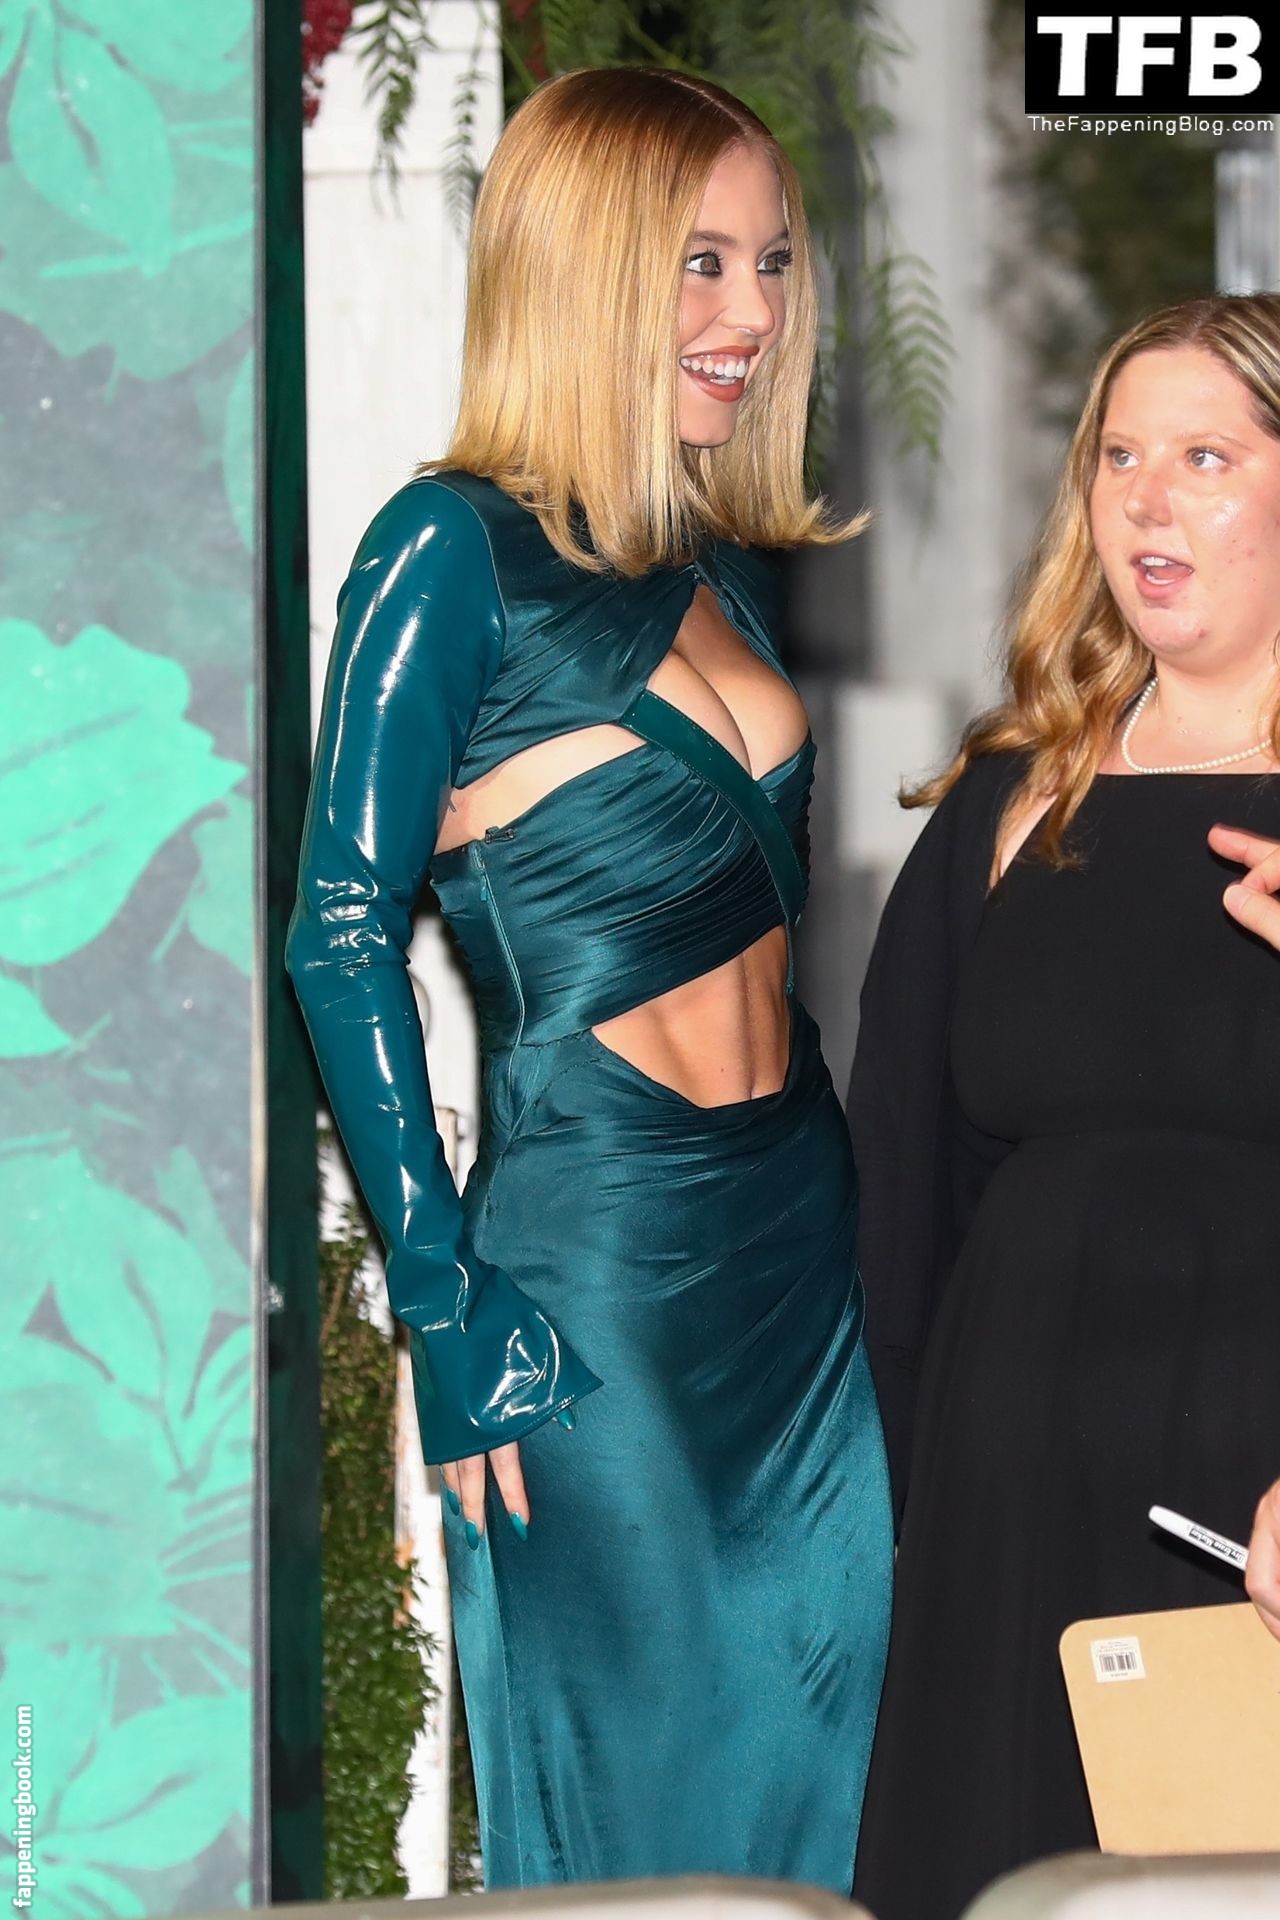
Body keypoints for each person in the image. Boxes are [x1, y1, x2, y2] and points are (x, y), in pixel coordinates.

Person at [286, 66, 893, 1892]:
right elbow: (338, 928)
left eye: (772, 262)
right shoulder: (444, 549)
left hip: (804, 1246)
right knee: (642, 1827)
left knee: (829, 1800)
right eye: (701, 262)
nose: (752, 312)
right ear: (585, 267)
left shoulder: (715, 564)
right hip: (599, 1273)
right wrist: (443, 1303)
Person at [847, 292, 1280, 1920]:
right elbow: (904, 1188)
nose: (1146, 499)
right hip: (1005, 1493)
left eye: (1206, 458)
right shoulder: (1010, 797)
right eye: (1118, 455)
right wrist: (905, 1516)